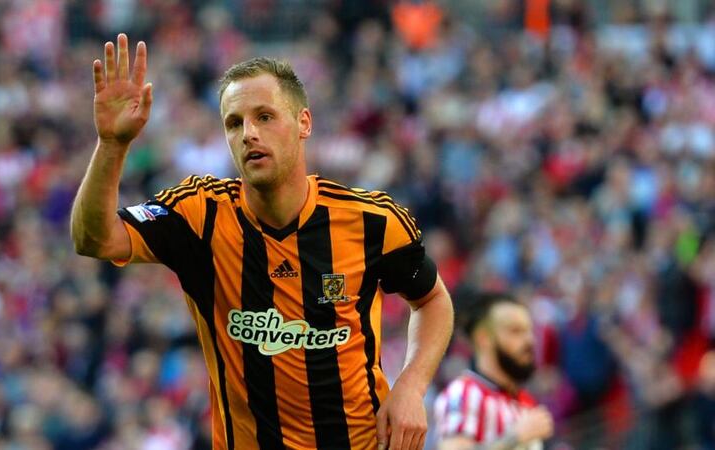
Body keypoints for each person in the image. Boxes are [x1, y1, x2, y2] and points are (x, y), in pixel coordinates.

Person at [70, 33, 454, 450]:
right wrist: (112, 145)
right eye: (234, 123)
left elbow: (432, 300)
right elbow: (94, 239)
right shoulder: (200, 215)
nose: (249, 133)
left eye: (264, 117)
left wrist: (411, 387)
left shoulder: (371, 221)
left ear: (304, 123)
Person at [433, 293, 552, 450]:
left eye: (529, 331)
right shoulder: (464, 393)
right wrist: (515, 437)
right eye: (516, 331)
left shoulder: (525, 401)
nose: (530, 340)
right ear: (483, 338)